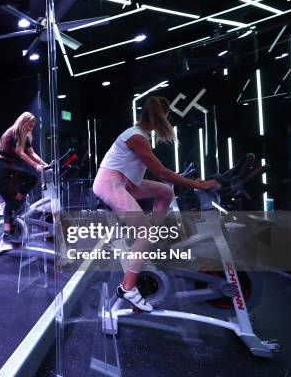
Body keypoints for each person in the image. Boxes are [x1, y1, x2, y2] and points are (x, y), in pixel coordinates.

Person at [93, 96, 219, 312]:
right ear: (164, 116)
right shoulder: (136, 137)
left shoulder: (139, 134)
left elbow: (161, 176)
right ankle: (128, 287)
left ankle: (148, 238)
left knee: (165, 191)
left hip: (125, 183)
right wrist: (197, 185)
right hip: (110, 184)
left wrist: (190, 181)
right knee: (146, 233)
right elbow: (160, 171)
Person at [0, 112, 46, 244]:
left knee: (31, 180)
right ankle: (7, 233)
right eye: (29, 124)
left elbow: (32, 153)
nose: (31, 128)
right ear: (23, 121)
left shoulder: (25, 137)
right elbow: (21, 154)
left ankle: (16, 204)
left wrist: (44, 164)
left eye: (33, 126)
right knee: (11, 203)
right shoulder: (12, 133)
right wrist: (35, 166)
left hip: (9, 169)